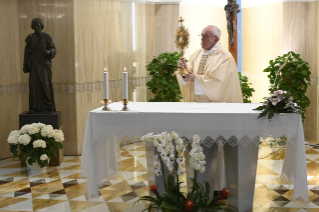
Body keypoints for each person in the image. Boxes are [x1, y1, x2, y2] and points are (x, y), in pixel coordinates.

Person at [177, 25, 242, 103]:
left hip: (215, 106)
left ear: (216, 39)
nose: (202, 38)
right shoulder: (197, 54)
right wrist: (184, 71)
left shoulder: (225, 57)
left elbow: (220, 84)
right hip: (194, 102)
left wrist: (195, 79)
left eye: (206, 36)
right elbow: (188, 73)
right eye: (201, 35)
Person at [23, 18, 57, 113]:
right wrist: (25, 64)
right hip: (33, 62)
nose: (36, 28)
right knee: (33, 85)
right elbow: (26, 52)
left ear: (41, 26)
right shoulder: (30, 37)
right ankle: (34, 107)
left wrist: (48, 52)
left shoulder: (47, 37)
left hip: (43, 63)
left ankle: (48, 105)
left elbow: (53, 48)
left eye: (37, 25)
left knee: (44, 83)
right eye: (34, 26)